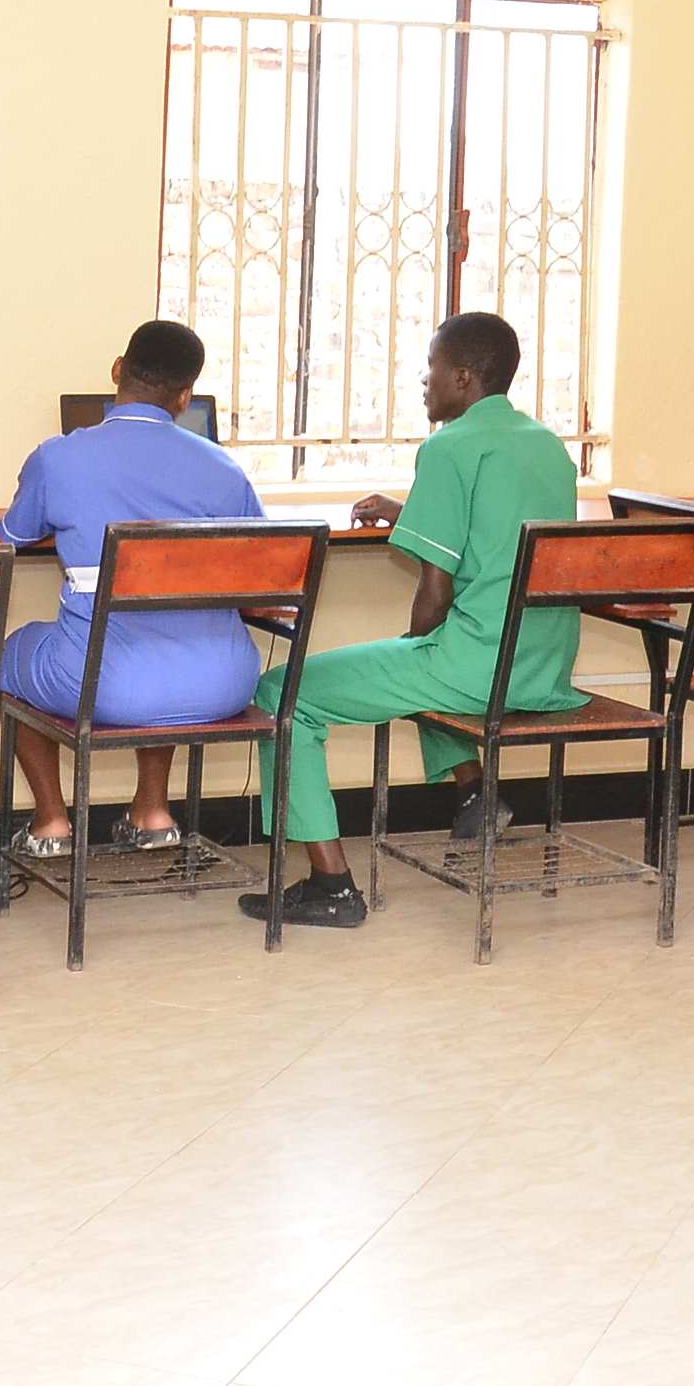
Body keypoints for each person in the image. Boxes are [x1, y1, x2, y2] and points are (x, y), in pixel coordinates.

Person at [239, 313, 581, 933]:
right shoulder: (547, 445)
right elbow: (498, 534)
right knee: (417, 658)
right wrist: (411, 513)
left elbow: (435, 593)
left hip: (476, 670)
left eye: (430, 368)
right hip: (542, 667)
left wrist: (418, 642)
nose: (423, 383)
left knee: (282, 692)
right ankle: (474, 792)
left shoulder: (448, 447)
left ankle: (331, 884)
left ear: (463, 376)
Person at [0, 319, 264, 861]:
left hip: (109, 686)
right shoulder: (225, 468)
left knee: (11, 658)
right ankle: (152, 812)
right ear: (186, 396)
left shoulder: (59, 456)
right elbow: (264, 569)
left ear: (118, 370)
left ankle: (50, 822)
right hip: (226, 682)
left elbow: (13, 536)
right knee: (166, 627)